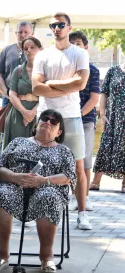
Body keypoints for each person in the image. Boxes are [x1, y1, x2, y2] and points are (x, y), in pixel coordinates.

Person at [0, 109, 76, 273]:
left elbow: (69, 177)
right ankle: (2, 255)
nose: (48, 122)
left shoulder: (64, 151)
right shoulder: (17, 142)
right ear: (37, 124)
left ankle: (46, 257)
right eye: (45, 118)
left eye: (53, 121)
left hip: (47, 188)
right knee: (1, 194)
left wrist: (44, 180)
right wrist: (15, 177)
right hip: (14, 186)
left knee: (48, 197)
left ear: (58, 132)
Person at [32, 12, 91, 230]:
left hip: (71, 115)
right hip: (47, 116)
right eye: (53, 25)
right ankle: (36, 209)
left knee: (78, 166)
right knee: (41, 164)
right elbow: (36, 87)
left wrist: (51, 84)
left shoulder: (79, 53)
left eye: (60, 25)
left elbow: (81, 83)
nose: (56, 28)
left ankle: (82, 212)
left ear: (68, 27)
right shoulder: (43, 55)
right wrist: (66, 84)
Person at [69, 31, 100, 206]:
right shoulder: (66, 68)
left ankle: (84, 197)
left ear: (85, 47)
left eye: (78, 43)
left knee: (85, 159)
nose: (75, 46)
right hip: (66, 119)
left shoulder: (93, 70)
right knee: (69, 159)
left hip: (85, 119)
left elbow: (94, 98)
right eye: (72, 43)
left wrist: (77, 115)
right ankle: (72, 195)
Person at [2, 37, 42, 149]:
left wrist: (32, 113)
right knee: (16, 149)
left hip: (39, 115)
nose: (29, 50)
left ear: (39, 49)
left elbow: (47, 95)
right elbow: (12, 94)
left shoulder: (45, 71)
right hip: (18, 115)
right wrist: (24, 112)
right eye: (26, 48)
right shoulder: (18, 70)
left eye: (32, 47)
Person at [90, 64, 125, 192]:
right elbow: (104, 93)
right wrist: (103, 114)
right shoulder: (113, 70)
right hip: (112, 117)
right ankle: (95, 181)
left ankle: (124, 183)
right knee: (105, 146)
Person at [0, 22, 34, 107]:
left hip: (31, 99)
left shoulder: (39, 52)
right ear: (16, 34)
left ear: (32, 34)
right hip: (8, 99)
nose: (23, 35)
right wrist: (7, 94)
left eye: (26, 32)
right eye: (20, 32)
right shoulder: (6, 51)